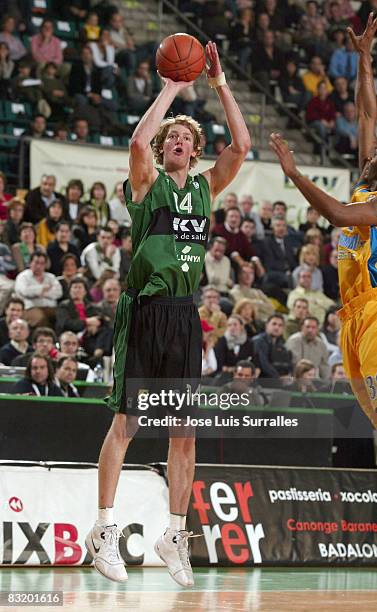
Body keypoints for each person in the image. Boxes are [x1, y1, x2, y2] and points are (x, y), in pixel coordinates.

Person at [86, 40, 250, 586]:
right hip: (146, 310)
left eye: (186, 137)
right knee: (127, 424)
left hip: (184, 317)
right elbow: (137, 139)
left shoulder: (205, 189)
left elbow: (243, 144)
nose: (178, 139)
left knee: (185, 434)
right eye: (171, 137)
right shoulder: (146, 183)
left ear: (195, 151)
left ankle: (174, 533)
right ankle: (104, 529)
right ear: (163, 149)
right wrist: (174, 88)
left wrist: (220, 85)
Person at [269, 13, 377, 427]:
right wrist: (364, 59)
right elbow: (367, 115)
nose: (372, 153)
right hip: (351, 316)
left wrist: (296, 174)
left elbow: (334, 215)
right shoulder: (366, 181)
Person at [14, 251, 63, 327]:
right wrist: (43, 288)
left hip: (50, 307)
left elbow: (58, 292)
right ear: (30, 263)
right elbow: (25, 292)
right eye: (36, 263)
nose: (39, 266)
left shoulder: (50, 277)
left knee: (62, 315)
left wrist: (41, 293)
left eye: (42, 263)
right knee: (40, 317)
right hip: (30, 308)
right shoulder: (23, 276)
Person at [252, 314, 293, 380]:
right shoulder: (258, 341)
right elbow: (264, 364)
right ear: (266, 325)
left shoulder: (281, 344)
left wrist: (289, 376)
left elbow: (288, 363)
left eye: (280, 325)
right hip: (263, 381)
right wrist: (278, 378)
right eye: (274, 324)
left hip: (277, 381)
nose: (277, 327)